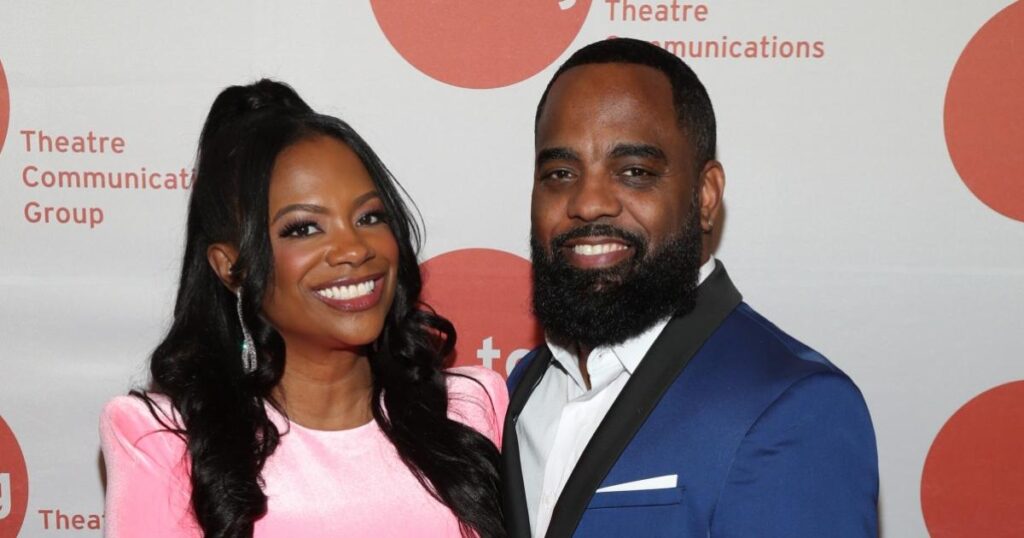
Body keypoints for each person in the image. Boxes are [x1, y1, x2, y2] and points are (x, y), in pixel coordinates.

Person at [502, 38, 878, 537]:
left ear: (705, 196)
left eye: (634, 172)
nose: (588, 203)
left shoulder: (794, 407)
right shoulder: (521, 389)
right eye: (560, 173)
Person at [100, 80, 507, 538]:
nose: (354, 248)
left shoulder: (473, 409)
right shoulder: (165, 440)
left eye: (370, 217)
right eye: (304, 228)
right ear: (231, 266)